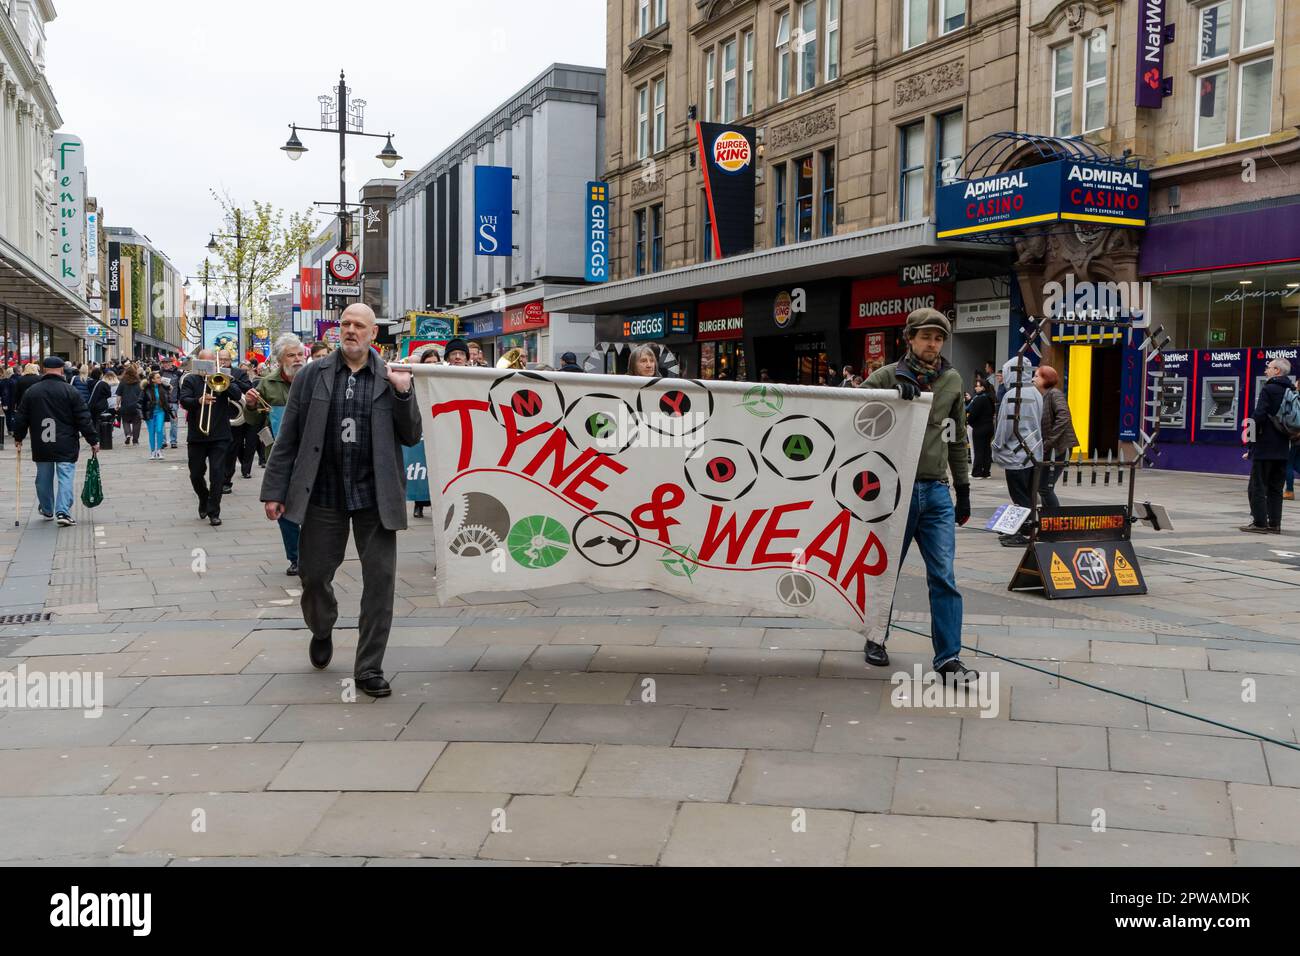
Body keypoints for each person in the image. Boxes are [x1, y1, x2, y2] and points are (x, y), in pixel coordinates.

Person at [260, 303, 422, 699]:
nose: (350, 330)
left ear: (372, 335)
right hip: (324, 494)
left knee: (380, 583)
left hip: (375, 495)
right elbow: (290, 438)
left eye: (359, 326)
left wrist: (403, 393)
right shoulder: (312, 375)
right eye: (345, 324)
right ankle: (322, 626)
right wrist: (274, 490)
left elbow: (412, 435)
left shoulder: (391, 376)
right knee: (313, 576)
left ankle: (369, 668)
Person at [861, 308, 975, 683]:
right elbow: (850, 417)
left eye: (939, 338)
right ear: (909, 338)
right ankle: (876, 637)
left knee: (944, 576)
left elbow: (955, 436)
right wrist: (892, 398)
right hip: (896, 491)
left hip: (936, 491)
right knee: (886, 572)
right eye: (925, 336)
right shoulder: (885, 376)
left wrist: (963, 488)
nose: (932, 344)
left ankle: (948, 658)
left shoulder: (952, 380)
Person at [12, 355, 100, 526]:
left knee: (43, 478)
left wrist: (18, 437)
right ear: (61, 370)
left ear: (44, 370)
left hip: (41, 443)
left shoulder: (32, 391)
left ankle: (46, 508)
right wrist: (93, 440)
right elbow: (83, 417)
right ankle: (63, 511)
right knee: (65, 476)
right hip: (65, 442)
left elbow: (21, 416)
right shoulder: (70, 391)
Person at [249, 334, 306, 574]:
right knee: (284, 508)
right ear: (280, 360)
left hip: (313, 455)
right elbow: (255, 422)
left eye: (300, 354)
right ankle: (296, 557)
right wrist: (250, 406)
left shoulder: (316, 378)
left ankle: (313, 554)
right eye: (291, 355)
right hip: (281, 457)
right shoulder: (267, 384)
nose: (297, 360)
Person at [180, 348, 245, 526]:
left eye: (212, 362)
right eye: (205, 362)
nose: (209, 366)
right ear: (198, 363)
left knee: (217, 475)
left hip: (220, 436)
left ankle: (214, 511)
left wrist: (225, 380)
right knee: (195, 474)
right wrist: (198, 401)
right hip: (197, 436)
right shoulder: (190, 380)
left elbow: (238, 395)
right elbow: (183, 399)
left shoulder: (223, 378)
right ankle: (203, 497)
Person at [991, 356, 1044, 547]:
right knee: (1028, 494)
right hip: (1033, 453)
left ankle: (1024, 533)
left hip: (1016, 453)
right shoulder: (1036, 393)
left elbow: (1004, 425)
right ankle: (1025, 531)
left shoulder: (1012, 394)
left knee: (1019, 495)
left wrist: (996, 446)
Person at [1242, 357, 1293, 533]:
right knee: (1276, 488)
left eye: (1269, 368)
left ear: (1277, 371)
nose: (1266, 371)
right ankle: (1275, 524)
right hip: (1283, 448)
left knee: (1257, 485)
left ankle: (1260, 523)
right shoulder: (1291, 390)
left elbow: (1259, 417)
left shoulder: (1269, 389)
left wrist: (1250, 443)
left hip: (1265, 447)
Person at [1035, 364, 1077, 510]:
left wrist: (1050, 440)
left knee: (1045, 488)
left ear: (1046, 379)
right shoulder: (1042, 396)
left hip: (1059, 448)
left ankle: (1056, 521)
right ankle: (1049, 521)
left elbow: (1064, 417)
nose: (1033, 379)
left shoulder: (1054, 394)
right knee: (1043, 487)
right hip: (1051, 448)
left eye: (1037, 376)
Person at [411, 347, 443, 520]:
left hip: (438, 428)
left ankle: (435, 504)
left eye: (434, 362)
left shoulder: (442, 379)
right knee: (420, 466)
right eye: (428, 362)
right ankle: (419, 504)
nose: (431, 365)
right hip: (421, 428)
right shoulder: (416, 381)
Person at [140, 369, 173, 460]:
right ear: (152, 379)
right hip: (149, 413)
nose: (160, 379)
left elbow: (169, 397)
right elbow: (140, 403)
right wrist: (141, 415)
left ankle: (159, 450)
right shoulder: (146, 389)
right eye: (158, 377)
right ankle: (152, 451)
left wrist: (171, 411)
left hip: (160, 412)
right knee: (151, 432)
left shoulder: (163, 387)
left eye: (160, 377)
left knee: (159, 430)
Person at [967, 376, 995, 479]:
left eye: (978, 386)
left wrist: (969, 421)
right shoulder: (990, 398)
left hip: (979, 427)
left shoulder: (979, 399)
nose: (975, 388)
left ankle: (977, 472)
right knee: (987, 450)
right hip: (989, 427)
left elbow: (973, 414)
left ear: (983, 387)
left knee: (978, 450)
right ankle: (986, 472)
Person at [118, 365, 144, 446]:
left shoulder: (122, 382)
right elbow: (142, 394)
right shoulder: (139, 382)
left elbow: (119, 395)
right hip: (136, 405)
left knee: (125, 421)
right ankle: (135, 441)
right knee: (137, 423)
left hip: (125, 405)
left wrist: (117, 404)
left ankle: (128, 434)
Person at [160, 358, 183, 448]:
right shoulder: (160, 373)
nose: (165, 365)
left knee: (174, 422)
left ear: (171, 363)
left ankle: (173, 441)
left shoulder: (177, 373)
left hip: (173, 401)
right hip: (161, 401)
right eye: (164, 363)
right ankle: (163, 441)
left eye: (167, 363)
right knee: (161, 422)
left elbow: (181, 385)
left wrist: (181, 398)